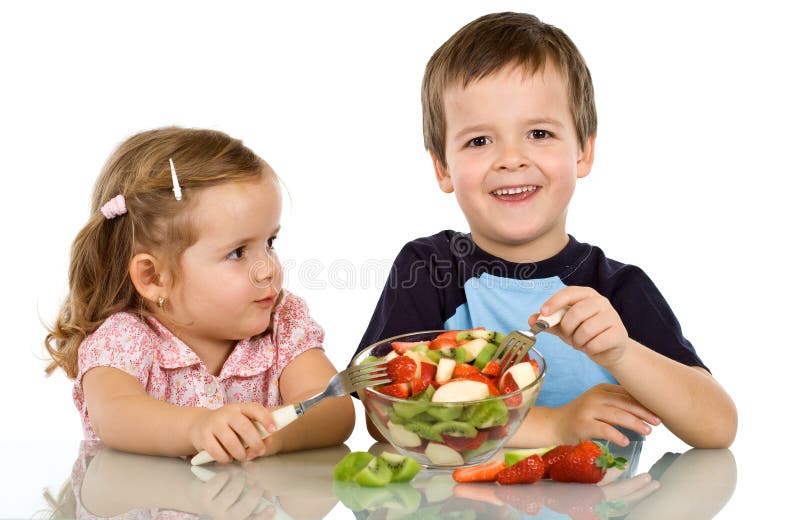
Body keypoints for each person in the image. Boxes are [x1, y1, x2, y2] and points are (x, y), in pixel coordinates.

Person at [354, 12, 736, 449]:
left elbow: (717, 427)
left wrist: (621, 353)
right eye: (479, 141)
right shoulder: (429, 269)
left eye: (539, 133)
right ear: (443, 167)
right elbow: (380, 411)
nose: (511, 158)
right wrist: (555, 425)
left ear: (583, 152)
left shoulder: (619, 289)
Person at [45, 127, 354, 463]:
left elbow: (333, 406)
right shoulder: (125, 338)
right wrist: (196, 428)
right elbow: (114, 414)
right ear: (153, 277)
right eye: (238, 252)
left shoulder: (282, 322)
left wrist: (269, 435)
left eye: (270, 242)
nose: (267, 269)